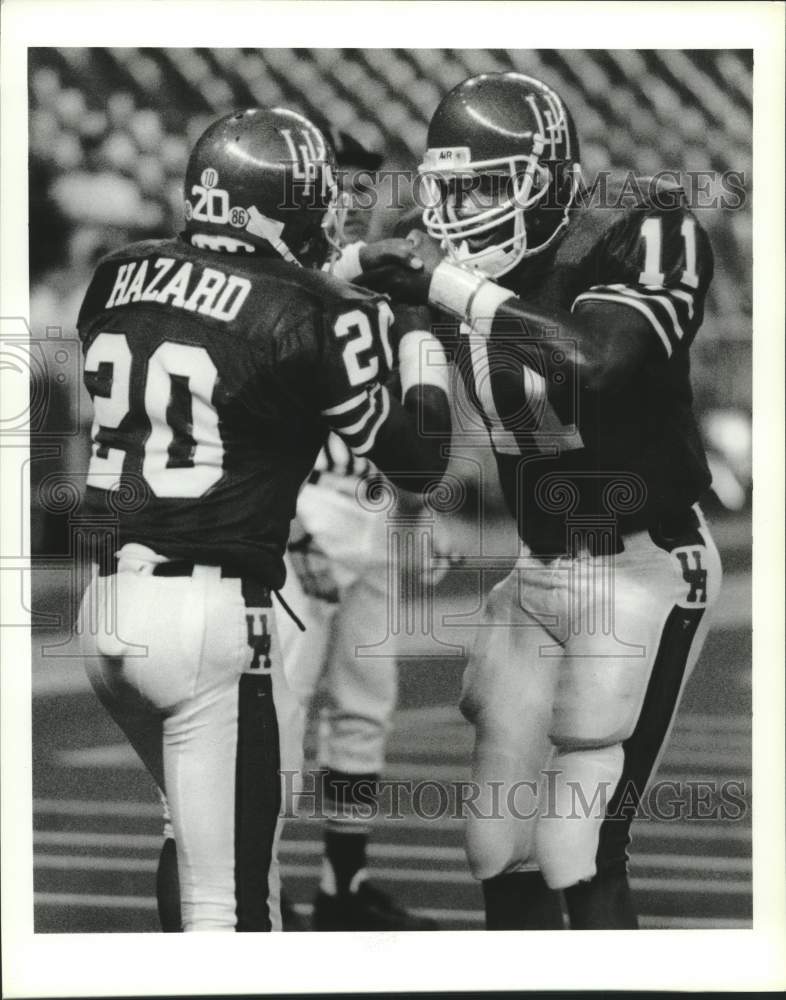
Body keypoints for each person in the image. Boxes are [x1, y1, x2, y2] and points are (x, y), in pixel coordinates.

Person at [357, 71, 722, 930]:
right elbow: (423, 441)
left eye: (485, 183)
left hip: (643, 564)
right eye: (451, 185)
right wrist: (408, 492)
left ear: (547, 177)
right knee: (497, 843)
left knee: (578, 845)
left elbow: (596, 362)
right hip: (537, 567)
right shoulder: (443, 266)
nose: (458, 208)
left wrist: (446, 289)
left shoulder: (642, 230)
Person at [75, 106, 450, 932]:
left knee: (188, 835)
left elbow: (233, 299)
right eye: (321, 196)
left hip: (106, 612)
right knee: (239, 901)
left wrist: (351, 265)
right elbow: (420, 459)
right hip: (210, 615)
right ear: (279, 204)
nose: (331, 212)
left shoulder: (117, 273)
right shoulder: (320, 312)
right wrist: (419, 325)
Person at [272, 121, 440, 931]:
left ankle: (343, 885)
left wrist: (416, 510)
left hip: (369, 508)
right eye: (339, 181)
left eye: (364, 184)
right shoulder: (279, 270)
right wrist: (284, 524)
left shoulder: (377, 282)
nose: (352, 197)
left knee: (366, 708)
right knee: (279, 713)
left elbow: (403, 419)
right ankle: (250, 895)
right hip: (300, 510)